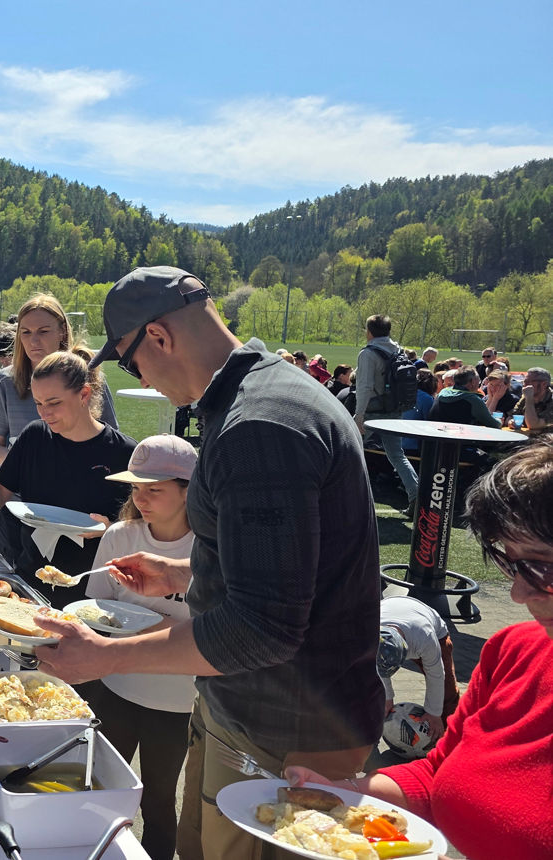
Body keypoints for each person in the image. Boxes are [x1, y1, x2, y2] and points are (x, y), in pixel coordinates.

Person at [34, 266, 384, 860]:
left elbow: (262, 628)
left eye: (131, 364)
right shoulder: (261, 396)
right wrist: (187, 574)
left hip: (285, 732)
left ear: (159, 337)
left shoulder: (261, 427)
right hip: (244, 711)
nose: (142, 379)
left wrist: (105, 655)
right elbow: (294, 564)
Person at [286, 434, 553, 860]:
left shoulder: (435, 640)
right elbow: (437, 773)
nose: (518, 594)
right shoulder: (513, 650)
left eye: (540, 568)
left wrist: (433, 710)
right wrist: (343, 793)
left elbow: (438, 671)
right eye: (509, 563)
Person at [79, 434, 197, 860]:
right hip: (116, 689)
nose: (141, 499)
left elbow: (220, 632)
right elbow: (94, 606)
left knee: (159, 801)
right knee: (100, 790)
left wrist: (152, 622)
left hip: (178, 703)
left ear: (189, 492)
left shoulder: (210, 551)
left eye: (154, 490)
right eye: (135, 488)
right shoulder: (120, 536)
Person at [0, 350, 135, 602]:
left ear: (84, 394)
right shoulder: (35, 436)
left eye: (54, 403)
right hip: (32, 579)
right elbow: (1, 486)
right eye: (38, 403)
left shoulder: (123, 452)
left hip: (93, 589)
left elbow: (141, 528)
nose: (44, 413)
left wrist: (109, 529)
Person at [0, 294, 118, 552]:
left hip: (79, 513)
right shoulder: (5, 381)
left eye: (43, 331)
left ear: (62, 331)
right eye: (26, 332)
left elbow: (110, 443)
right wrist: (30, 467)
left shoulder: (89, 377)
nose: (34, 341)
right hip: (20, 510)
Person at [377, 596, 461, 746]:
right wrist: (386, 698)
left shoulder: (425, 638)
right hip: (391, 609)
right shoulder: (369, 630)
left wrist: (434, 713)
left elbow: (436, 675)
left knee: (447, 687)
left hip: (432, 629)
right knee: (371, 684)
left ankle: (449, 735)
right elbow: (376, 670)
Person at [355, 313, 419, 502]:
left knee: (348, 450)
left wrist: (359, 415)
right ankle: (416, 497)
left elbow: (365, 387)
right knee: (397, 456)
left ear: (369, 331)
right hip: (394, 409)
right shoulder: (398, 350)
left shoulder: (368, 353)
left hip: (371, 410)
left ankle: (344, 495)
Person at [427, 367, 500, 428]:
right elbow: (494, 424)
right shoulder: (472, 400)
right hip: (460, 439)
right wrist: (499, 420)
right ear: (473, 381)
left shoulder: (443, 392)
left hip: (434, 437)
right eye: (479, 380)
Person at [512, 365, 551, 431]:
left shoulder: (550, 400)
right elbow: (512, 416)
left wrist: (529, 399)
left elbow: (533, 425)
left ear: (544, 384)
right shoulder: (526, 397)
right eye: (524, 381)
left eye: (529, 382)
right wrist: (511, 422)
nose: (524, 384)